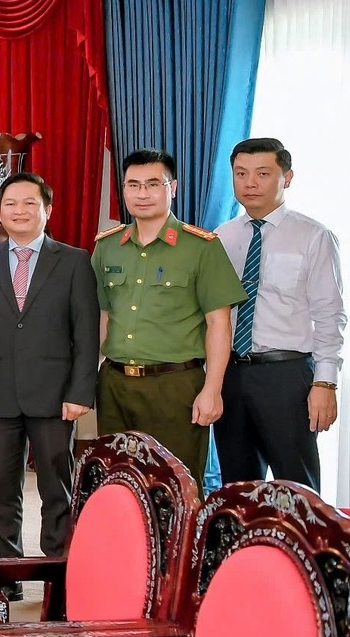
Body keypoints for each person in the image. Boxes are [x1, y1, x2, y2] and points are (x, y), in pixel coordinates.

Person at [0, 173, 97, 561]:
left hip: (54, 395)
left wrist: (80, 392)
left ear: (47, 209)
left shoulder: (73, 260)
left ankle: (57, 570)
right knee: (0, 489)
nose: (19, 211)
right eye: (10, 204)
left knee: (57, 489)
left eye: (29, 203)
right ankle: (7, 571)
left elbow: (86, 333)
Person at [94, 148, 245, 485]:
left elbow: (219, 324)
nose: (142, 193)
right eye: (133, 185)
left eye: (153, 184)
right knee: (117, 483)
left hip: (175, 386)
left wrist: (212, 389)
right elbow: (104, 315)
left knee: (176, 487)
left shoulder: (201, 247)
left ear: (172, 188)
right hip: (115, 385)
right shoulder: (107, 247)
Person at [214, 137, 346, 491]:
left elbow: (330, 315)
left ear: (287, 178)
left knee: (296, 487)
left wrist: (325, 382)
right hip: (231, 375)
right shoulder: (221, 238)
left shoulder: (314, 236)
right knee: (237, 488)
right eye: (241, 173)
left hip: (286, 376)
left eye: (262, 173)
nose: (250, 183)